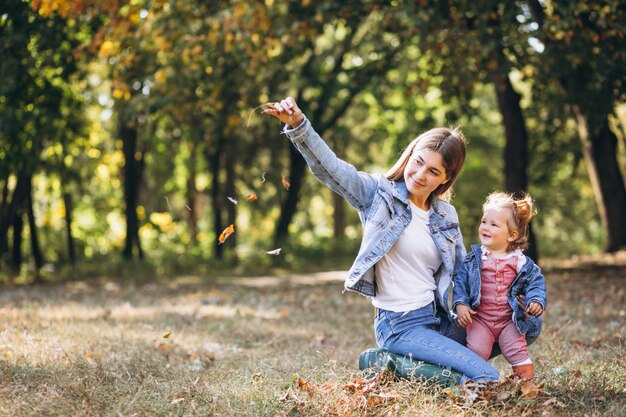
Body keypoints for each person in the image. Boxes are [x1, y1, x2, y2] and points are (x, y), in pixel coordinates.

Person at [264, 97, 499, 384]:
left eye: (433, 172)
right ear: (410, 155)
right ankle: (395, 362)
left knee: (521, 323)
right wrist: (299, 125)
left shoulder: (445, 214)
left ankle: (407, 362)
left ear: (445, 179)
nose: (421, 175)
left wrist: (511, 292)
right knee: (485, 376)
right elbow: (331, 169)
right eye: (419, 162)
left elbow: (465, 271)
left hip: (438, 320)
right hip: (400, 326)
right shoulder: (377, 194)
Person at [453, 191, 547, 382]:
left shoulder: (520, 262)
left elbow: (535, 282)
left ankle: (525, 384)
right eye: (484, 221)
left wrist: (535, 300)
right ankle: (473, 384)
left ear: (511, 235)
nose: (485, 227)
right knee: (477, 349)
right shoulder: (474, 259)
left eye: (493, 224)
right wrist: (461, 304)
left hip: (509, 320)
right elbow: (461, 282)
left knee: (516, 349)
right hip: (481, 320)